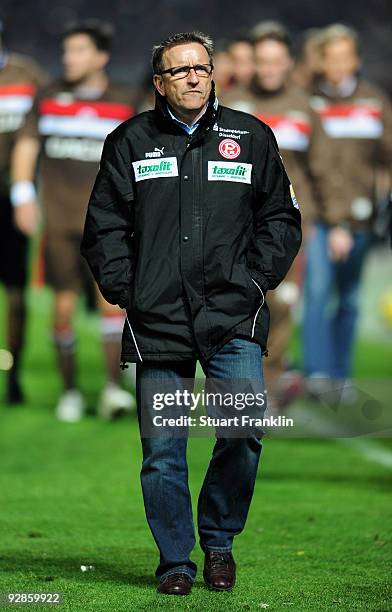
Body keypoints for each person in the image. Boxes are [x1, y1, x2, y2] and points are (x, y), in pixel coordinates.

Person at [81, 31, 301, 595]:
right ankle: (175, 559)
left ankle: (219, 542)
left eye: (200, 68)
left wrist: (256, 280)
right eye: (178, 71)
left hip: (233, 314)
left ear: (213, 73)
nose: (192, 77)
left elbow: (281, 217)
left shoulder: (251, 136)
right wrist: (127, 290)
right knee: (162, 450)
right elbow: (104, 227)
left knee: (244, 428)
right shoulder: (129, 141)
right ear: (159, 81)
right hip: (157, 321)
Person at [11, 20, 136, 421]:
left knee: (112, 303)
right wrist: (23, 194)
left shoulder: (124, 100)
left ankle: (113, 393)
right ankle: (69, 393)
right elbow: (27, 144)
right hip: (61, 223)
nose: (70, 59)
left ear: (101, 57)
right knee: (61, 305)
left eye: (80, 51)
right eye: (66, 52)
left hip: (110, 225)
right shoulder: (47, 97)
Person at [222, 23, 327, 402]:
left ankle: (266, 385)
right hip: (237, 224)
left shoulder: (305, 108)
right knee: (240, 304)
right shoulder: (229, 102)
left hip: (288, 227)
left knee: (282, 305)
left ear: (288, 63)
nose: (268, 69)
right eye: (262, 61)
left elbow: (320, 170)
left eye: (275, 61)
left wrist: (324, 222)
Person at [304, 24, 392, 389]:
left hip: (363, 219)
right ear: (321, 62)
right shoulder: (307, 102)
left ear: (355, 59)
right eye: (332, 57)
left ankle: (341, 376)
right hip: (321, 218)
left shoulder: (375, 102)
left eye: (345, 56)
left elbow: (387, 159)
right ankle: (317, 375)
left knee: (351, 299)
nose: (339, 64)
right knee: (318, 293)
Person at [0, 18, 48, 403]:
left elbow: (42, 131)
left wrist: (25, 191)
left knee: (16, 290)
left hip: (10, 198)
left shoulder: (27, 74)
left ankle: (13, 371)